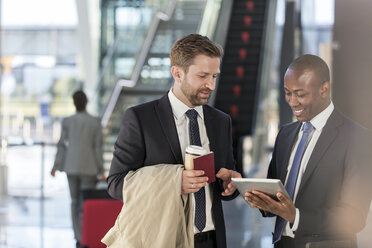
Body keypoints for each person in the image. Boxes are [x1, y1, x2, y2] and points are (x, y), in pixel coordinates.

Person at [106, 34, 241, 248]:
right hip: (163, 239)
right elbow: (115, 183)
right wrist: (172, 181)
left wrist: (230, 184)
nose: (211, 85)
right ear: (177, 73)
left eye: (214, 76)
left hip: (210, 240)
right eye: (203, 76)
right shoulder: (141, 118)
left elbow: (224, 184)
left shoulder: (221, 121)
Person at [245, 54, 372, 248]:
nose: (292, 102)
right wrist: (258, 197)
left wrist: (296, 217)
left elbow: (354, 217)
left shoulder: (357, 138)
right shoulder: (285, 134)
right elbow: (275, 193)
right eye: (287, 92)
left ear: (324, 89)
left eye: (300, 94)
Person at [51, 90, 106, 248]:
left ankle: (78, 237)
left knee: (74, 202)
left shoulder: (67, 121)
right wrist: (101, 170)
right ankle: (86, 236)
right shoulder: (95, 122)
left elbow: (62, 145)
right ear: (86, 102)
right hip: (89, 167)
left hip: (71, 166)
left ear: (74, 103)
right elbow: (97, 148)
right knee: (85, 203)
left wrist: (55, 166)